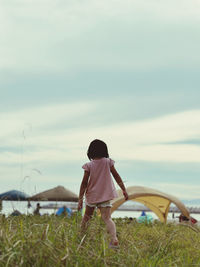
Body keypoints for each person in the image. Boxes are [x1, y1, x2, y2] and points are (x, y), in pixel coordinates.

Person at [78, 139, 128, 248]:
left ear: (90, 152)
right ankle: (114, 238)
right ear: (105, 150)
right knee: (107, 218)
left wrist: (80, 199)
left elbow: (84, 183)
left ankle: (81, 238)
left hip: (92, 195)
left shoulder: (89, 165)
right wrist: (123, 189)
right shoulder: (108, 162)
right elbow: (117, 176)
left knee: (86, 218)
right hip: (106, 195)